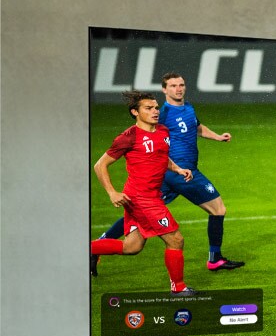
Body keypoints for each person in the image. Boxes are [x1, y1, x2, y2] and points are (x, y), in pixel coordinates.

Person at [91, 72, 244, 276]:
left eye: (181, 84)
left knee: (138, 217)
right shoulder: (161, 114)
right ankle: (214, 259)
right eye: (173, 86)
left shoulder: (188, 108)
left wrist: (217, 137)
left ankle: (98, 245)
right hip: (183, 174)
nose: (178, 89)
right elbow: (145, 138)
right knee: (218, 209)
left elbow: (196, 127)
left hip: (174, 172)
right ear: (164, 90)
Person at [90, 90, 196, 295]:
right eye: (148, 108)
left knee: (132, 247)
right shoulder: (128, 137)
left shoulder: (163, 131)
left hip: (151, 196)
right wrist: (112, 192)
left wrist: (177, 169)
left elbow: (161, 156)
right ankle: (178, 287)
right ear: (135, 112)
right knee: (176, 240)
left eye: (156, 107)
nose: (155, 111)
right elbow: (100, 165)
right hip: (141, 198)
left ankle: (90, 249)